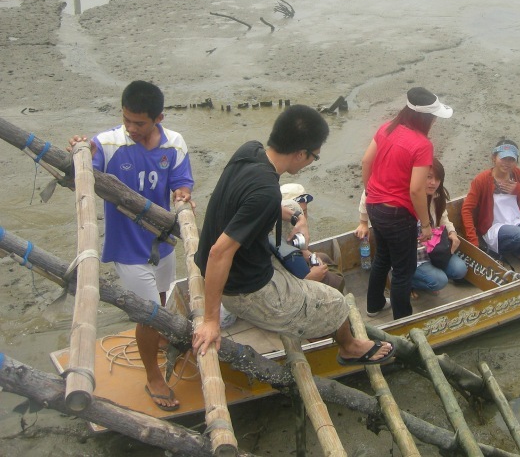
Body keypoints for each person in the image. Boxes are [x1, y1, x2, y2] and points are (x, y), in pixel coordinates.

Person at [192, 105, 395, 367]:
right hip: (244, 289)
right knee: (335, 302)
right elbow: (219, 252)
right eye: (314, 157)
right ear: (301, 154)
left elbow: (249, 203)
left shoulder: (250, 152)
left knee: (311, 274)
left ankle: (315, 323)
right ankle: (350, 347)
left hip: (244, 267)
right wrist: (210, 321)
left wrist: (294, 216)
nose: (312, 162)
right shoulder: (266, 193)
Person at [69, 81, 193, 411]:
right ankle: (153, 376)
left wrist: (183, 195)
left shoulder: (175, 145)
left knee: (164, 298)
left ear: (158, 118)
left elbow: (182, 183)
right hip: (127, 248)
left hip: (162, 243)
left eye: (139, 123)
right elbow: (80, 174)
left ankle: (162, 337)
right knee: (150, 315)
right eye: (127, 120)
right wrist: (80, 152)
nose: (131, 128)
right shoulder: (108, 144)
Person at [362, 87, 453, 320]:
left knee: (382, 257)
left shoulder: (387, 128)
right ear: (425, 118)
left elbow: (366, 161)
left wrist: (371, 192)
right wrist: (425, 224)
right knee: (404, 270)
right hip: (397, 214)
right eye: (433, 117)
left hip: (375, 206)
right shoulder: (422, 145)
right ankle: (403, 320)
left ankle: (373, 306)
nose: (434, 121)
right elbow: (416, 189)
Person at [460, 139, 520, 267]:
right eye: (503, 158)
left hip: (516, 220)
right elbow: (466, 209)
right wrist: (473, 242)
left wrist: (518, 190)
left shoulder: (517, 174)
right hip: (494, 227)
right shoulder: (482, 180)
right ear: (494, 158)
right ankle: (496, 252)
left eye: (511, 159)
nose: (507, 163)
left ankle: (518, 251)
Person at [412, 159, 468, 294]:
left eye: (437, 179)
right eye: (428, 177)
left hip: (434, 249)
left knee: (460, 269)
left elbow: (444, 218)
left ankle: (432, 273)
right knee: (439, 281)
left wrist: (452, 233)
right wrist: (363, 221)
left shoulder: (436, 196)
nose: (433, 183)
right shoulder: (408, 198)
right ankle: (407, 282)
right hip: (415, 256)